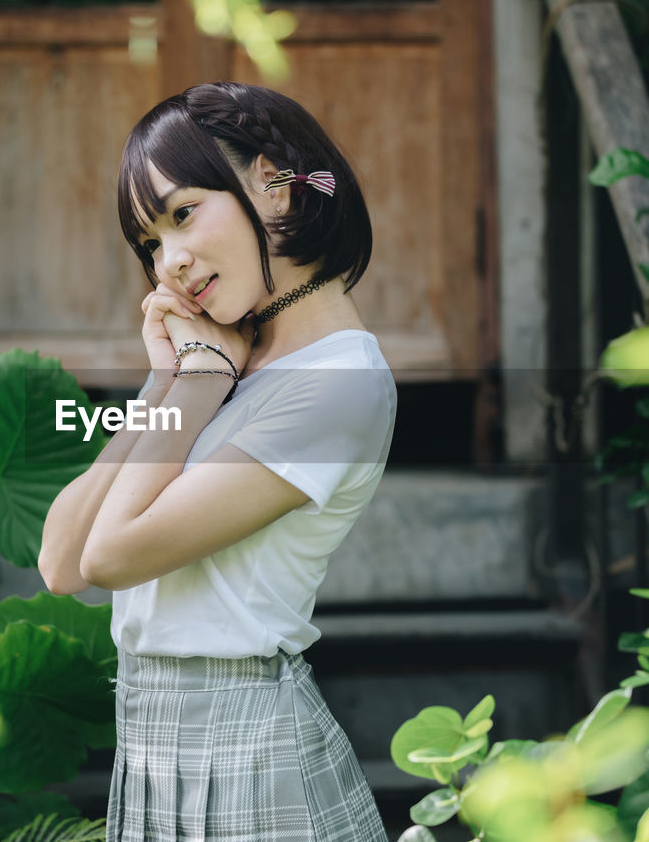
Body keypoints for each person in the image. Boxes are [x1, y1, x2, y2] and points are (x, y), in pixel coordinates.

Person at [38, 81, 396, 841]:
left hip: (250, 761)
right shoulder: (215, 357)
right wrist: (172, 380)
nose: (169, 262)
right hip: (153, 747)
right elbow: (61, 559)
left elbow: (111, 553)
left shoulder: (339, 383)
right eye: (150, 243)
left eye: (182, 214)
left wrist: (197, 381)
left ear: (273, 184)